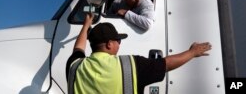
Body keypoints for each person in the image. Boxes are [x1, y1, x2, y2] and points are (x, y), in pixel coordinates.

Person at [66, 14, 212, 94]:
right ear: (109, 44)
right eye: (118, 41)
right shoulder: (130, 66)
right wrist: (192, 52)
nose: (119, 44)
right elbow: (166, 64)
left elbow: (78, 49)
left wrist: (85, 26)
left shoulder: (74, 66)